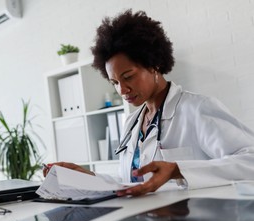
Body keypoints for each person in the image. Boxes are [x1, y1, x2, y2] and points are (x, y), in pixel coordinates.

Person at [44, 10, 254, 196]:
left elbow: (250, 161)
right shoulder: (132, 123)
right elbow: (131, 182)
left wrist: (179, 169)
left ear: (153, 65)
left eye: (128, 77)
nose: (122, 90)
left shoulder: (197, 109)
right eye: (115, 82)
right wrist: (87, 176)